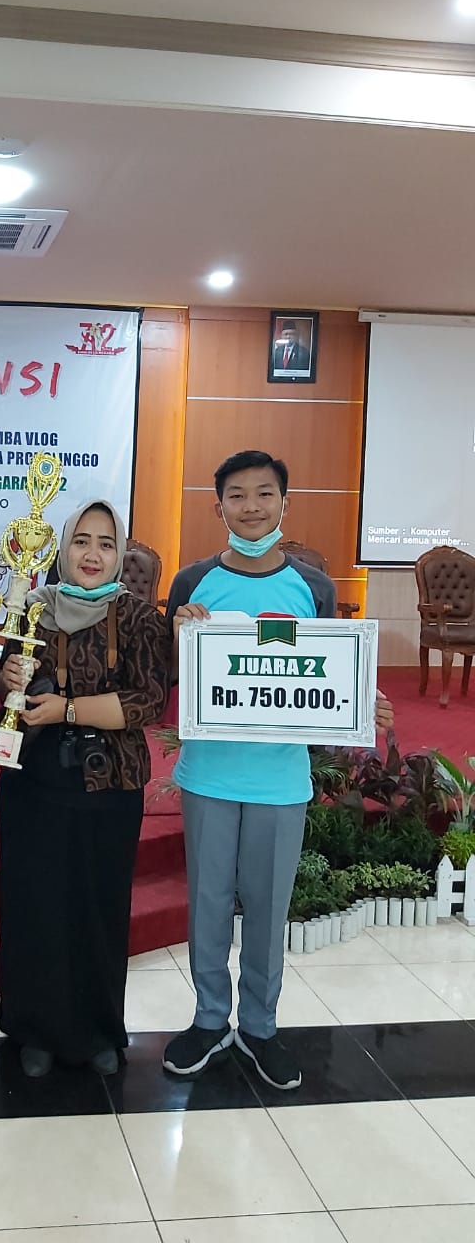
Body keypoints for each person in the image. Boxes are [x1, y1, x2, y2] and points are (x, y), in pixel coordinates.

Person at [162, 449, 394, 1090]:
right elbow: (173, 676)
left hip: (280, 780)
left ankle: (260, 1028)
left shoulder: (312, 587)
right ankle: (210, 1020)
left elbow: (325, 668)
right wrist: (182, 636)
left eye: (265, 494)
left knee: (267, 911)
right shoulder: (192, 583)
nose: (252, 507)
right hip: (209, 773)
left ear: (284, 505)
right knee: (207, 905)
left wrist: (360, 702)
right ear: (219, 507)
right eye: (237, 495)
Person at [0, 500, 170, 1078]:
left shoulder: (141, 618)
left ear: (120, 553)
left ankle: (98, 1030)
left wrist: (66, 708)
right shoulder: (25, 610)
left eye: (104, 543)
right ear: (62, 548)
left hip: (109, 785)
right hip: (33, 782)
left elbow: (149, 701)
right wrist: (5, 677)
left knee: (99, 907)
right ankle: (34, 1030)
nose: (92, 554)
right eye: (80, 541)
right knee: (35, 906)